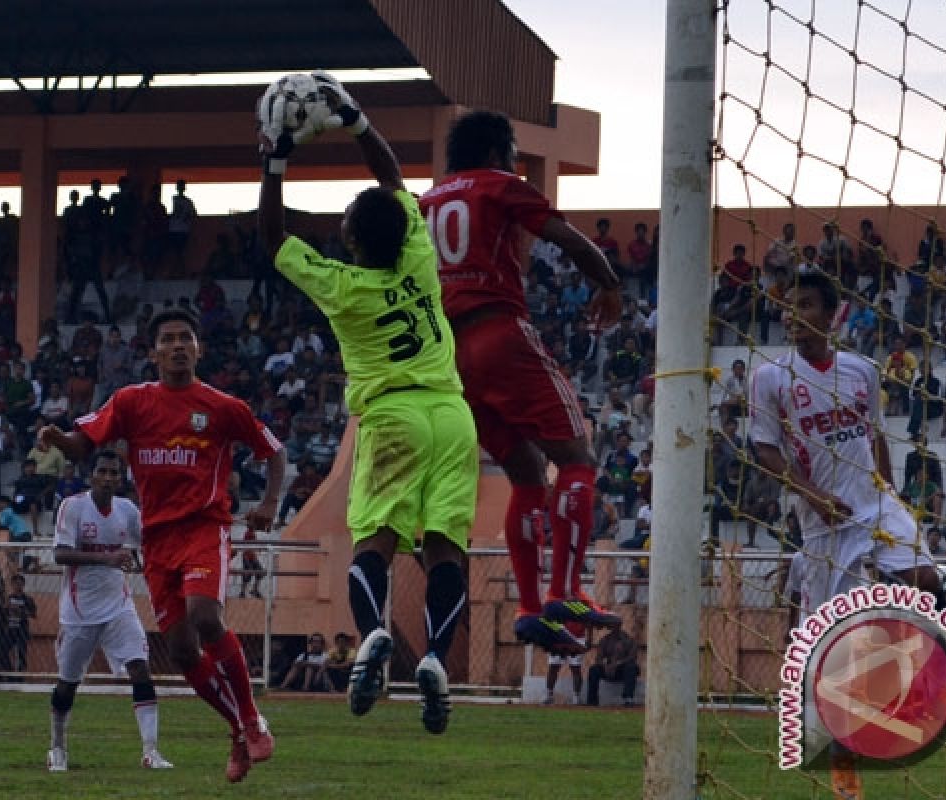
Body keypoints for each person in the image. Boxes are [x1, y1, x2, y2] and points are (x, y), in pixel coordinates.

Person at [259, 75, 479, 735]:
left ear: (352, 242)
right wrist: (356, 120)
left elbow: (272, 239)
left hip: (394, 418)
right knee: (445, 551)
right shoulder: (418, 257)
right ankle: (436, 657)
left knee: (373, 545)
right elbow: (390, 179)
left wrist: (275, 158)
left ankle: (375, 632)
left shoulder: (342, 286)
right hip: (454, 415)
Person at [747, 271, 946, 797]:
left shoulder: (862, 371)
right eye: (788, 305)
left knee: (926, 578)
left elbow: (874, 435)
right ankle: (841, 762)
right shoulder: (771, 378)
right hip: (824, 526)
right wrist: (814, 496)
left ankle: (943, 696)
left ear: (831, 313)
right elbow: (765, 451)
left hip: (873, 504)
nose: (792, 313)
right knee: (827, 645)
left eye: (804, 304)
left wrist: (891, 495)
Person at [38, 310, 283, 783]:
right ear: (152, 353)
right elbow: (83, 444)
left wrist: (270, 502)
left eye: (185, 338)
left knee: (205, 617)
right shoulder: (132, 402)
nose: (176, 345)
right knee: (182, 651)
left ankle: (252, 720)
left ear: (198, 349)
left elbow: (273, 450)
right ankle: (236, 730)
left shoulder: (221, 406)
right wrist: (58, 441)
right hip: (157, 538)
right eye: (167, 339)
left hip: (204, 528)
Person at [417, 107, 623, 654]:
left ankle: (531, 608)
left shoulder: (427, 201)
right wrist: (608, 283)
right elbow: (567, 238)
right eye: (510, 155)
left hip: (447, 355)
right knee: (578, 457)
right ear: (495, 154)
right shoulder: (500, 186)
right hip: (499, 332)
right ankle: (565, 589)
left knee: (527, 470)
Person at [46, 450, 171, 772]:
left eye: (114, 473)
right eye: (102, 471)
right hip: (79, 610)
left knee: (140, 669)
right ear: (92, 475)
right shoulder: (73, 507)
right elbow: (60, 555)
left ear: (121, 478)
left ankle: (150, 751)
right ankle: (57, 748)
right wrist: (108, 559)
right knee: (67, 684)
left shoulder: (127, 510)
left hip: (119, 605)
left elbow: (149, 542)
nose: (108, 477)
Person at [587, 626, 640, 707]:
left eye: (615, 625)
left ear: (619, 626)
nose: (613, 629)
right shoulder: (605, 640)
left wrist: (618, 663)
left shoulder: (630, 640)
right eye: (611, 626)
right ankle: (592, 700)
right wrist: (604, 665)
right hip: (608, 668)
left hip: (622, 668)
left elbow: (632, 657)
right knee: (594, 669)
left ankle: (628, 698)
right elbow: (598, 658)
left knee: (631, 667)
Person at [544, 621, 586, 705]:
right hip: (558, 638)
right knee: (553, 667)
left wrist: (590, 638)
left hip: (577, 637)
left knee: (576, 668)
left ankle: (576, 697)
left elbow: (587, 620)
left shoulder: (584, 607)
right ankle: (549, 695)